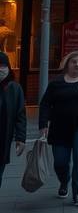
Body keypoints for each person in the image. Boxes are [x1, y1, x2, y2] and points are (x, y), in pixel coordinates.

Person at [39, 51, 78, 206]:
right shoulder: (56, 83)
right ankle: (63, 181)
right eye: (74, 62)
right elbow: (46, 104)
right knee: (60, 162)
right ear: (67, 64)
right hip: (60, 127)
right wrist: (43, 124)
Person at [0, 51, 26, 188]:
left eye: (3, 65)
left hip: (3, 140)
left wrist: (20, 138)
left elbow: (20, 115)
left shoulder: (14, 89)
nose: (0, 69)